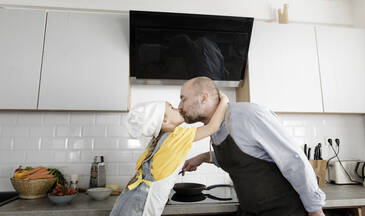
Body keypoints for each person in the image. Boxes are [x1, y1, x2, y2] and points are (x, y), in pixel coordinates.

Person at [178, 77, 326, 216]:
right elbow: (242, 156)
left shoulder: (248, 116)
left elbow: (293, 160)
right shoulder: (214, 127)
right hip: (251, 210)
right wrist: (203, 157)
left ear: (203, 98)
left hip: (285, 210)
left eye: (183, 99)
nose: (179, 106)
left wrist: (316, 209)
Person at [110, 93, 229, 216]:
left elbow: (161, 165)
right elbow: (213, 127)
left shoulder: (156, 141)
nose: (178, 108)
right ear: (164, 121)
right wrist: (224, 100)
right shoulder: (177, 136)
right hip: (142, 207)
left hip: (128, 201)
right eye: (172, 108)